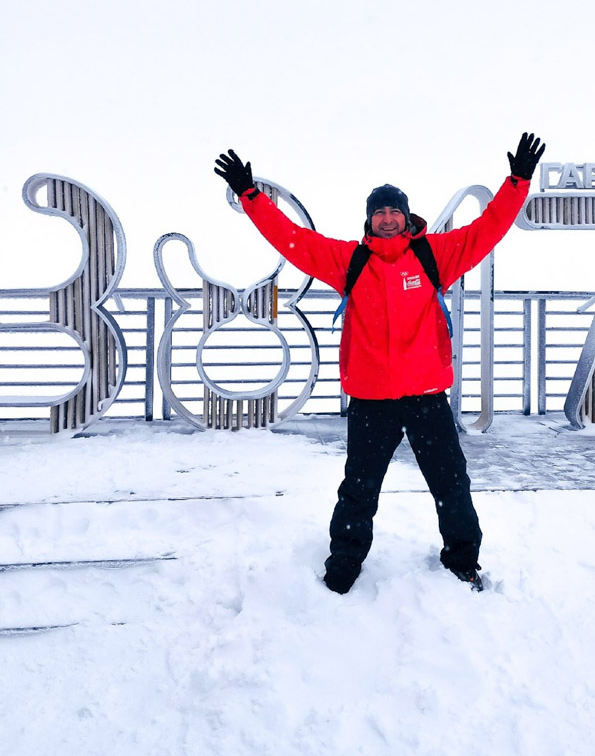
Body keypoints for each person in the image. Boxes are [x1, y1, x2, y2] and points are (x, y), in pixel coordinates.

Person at [214, 133, 545, 594]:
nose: (388, 218)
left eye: (395, 211)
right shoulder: (349, 260)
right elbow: (294, 242)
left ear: (407, 217)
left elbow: (486, 230)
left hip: (427, 397)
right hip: (371, 400)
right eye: (380, 211)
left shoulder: (434, 256)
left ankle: (463, 560)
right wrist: (251, 196)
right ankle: (344, 564)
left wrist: (517, 182)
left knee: (452, 485)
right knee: (358, 490)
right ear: (369, 219)